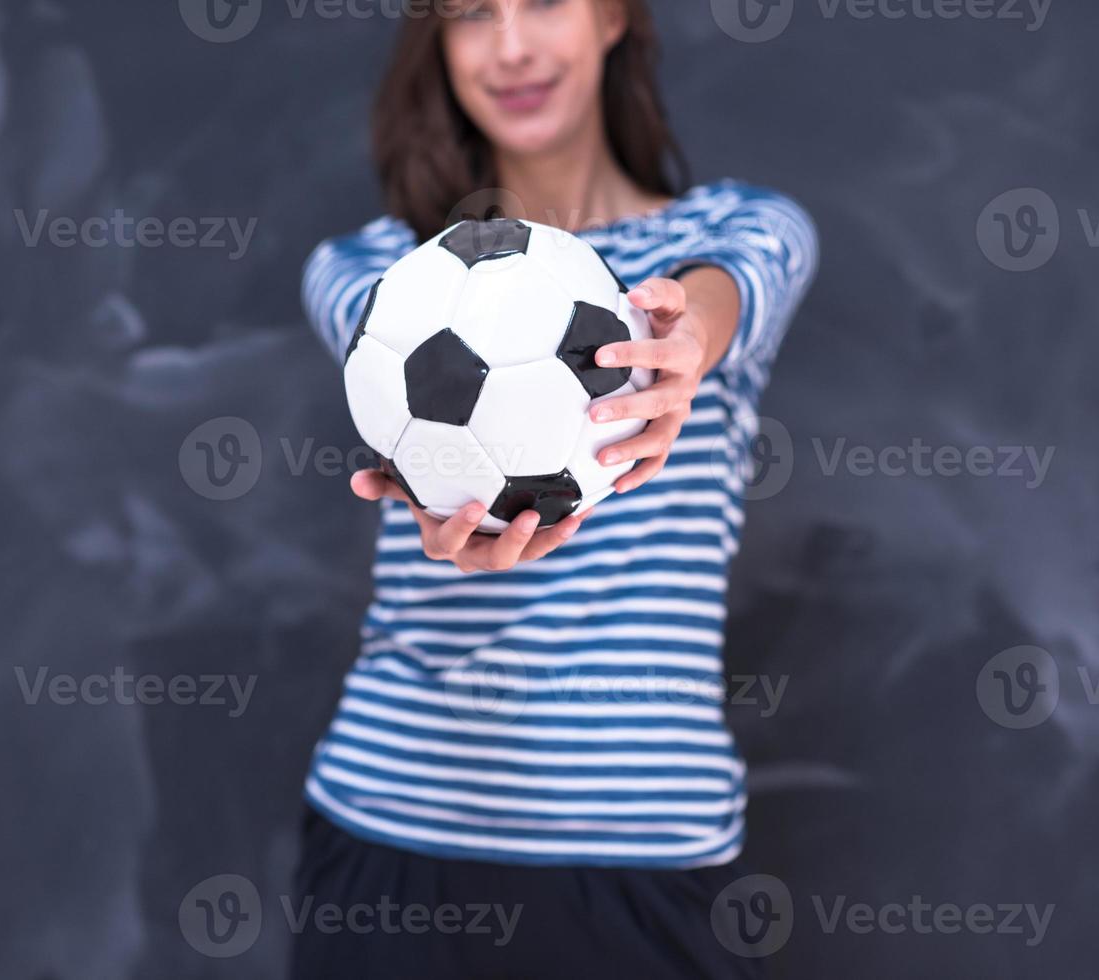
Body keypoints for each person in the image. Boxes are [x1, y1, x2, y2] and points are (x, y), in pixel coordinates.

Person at [296, 0, 818, 975]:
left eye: (541, 1)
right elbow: (381, 333)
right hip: (393, 833)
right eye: (468, 15)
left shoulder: (735, 230)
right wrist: (431, 507)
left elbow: (731, 280)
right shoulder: (375, 267)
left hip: (644, 860)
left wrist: (685, 341)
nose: (510, 47)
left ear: (612, 16)